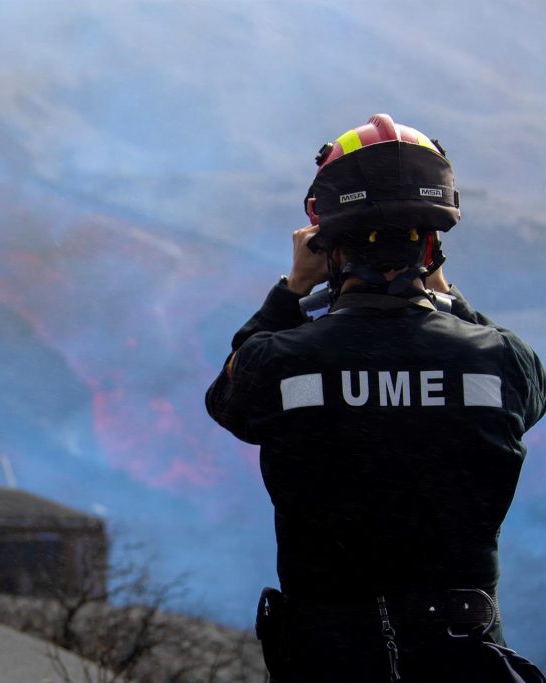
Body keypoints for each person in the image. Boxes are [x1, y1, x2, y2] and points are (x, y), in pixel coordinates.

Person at [205, 114, 546, 682]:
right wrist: (446, 295)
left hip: (330, 658)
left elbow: (227, 398)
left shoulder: (279, 361)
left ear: (328, 248)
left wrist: (291, 289)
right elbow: (521, 381)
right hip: (467, 657)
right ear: (433, 244)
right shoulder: (500, 360)